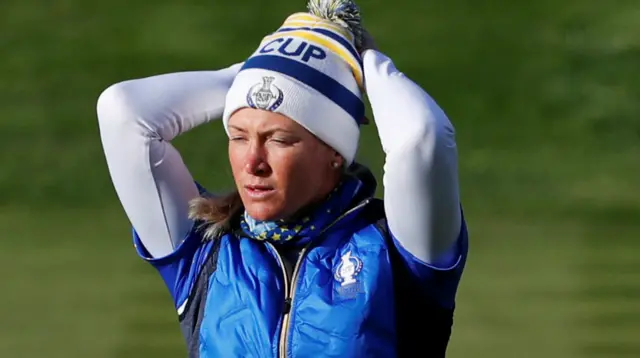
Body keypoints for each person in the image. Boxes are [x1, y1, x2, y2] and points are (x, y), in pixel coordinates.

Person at [97, 2, 468, 357]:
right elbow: (122, 112)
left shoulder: (397, 249)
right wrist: (261, 73)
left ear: (334, 151)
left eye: (279, 139)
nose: (253, 162)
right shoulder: (204, 249)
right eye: (239, 137)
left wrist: (361, 62)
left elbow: (422, 138)